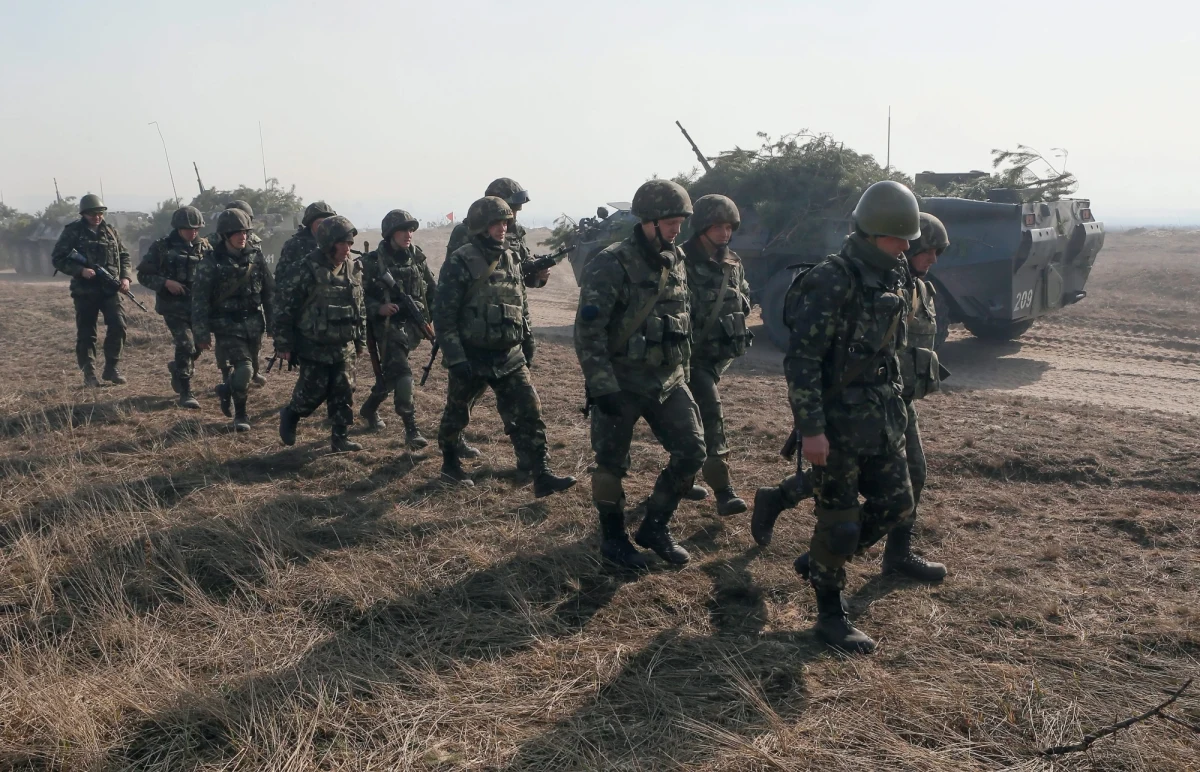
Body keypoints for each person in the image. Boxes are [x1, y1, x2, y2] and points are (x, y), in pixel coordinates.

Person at [751, 180, 924, 654]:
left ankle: (823, 559)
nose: (906, 246)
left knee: (897, 504)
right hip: (837, 424)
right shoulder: (833, 278)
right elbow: (802, 361)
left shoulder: (894, 273)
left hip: (883, 416)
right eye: (897, 237)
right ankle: (830, 614)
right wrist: (811, 429)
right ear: (870, 233)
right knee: (840, 523)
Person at [574, 179, 706, 569]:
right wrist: (602, 387)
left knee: (693, 451)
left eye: (681, 221)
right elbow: (589, 331)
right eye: (670, 222)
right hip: (621, 382)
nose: (677, 229)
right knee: (612, 464)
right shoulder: (610, 262)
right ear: (647, 221)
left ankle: (655, 526)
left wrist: (684, 370)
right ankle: (613, 539)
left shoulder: (677, 259)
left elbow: (683, 318)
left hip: (668, 381)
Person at [433, 196, 575, 498]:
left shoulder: (511, 257)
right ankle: (450, 463)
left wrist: (527, 340)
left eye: (506, 222)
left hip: (508, 353)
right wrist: (456, 357)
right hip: (472, 354)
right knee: (457, 413)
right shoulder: (460, 260)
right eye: (497, 222)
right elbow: (444, 315)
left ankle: (542, 473)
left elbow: (520, 302)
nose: (503, 227)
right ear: (481, 226)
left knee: (530, 411)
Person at [680, 194, 754, 516]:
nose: (725, 233)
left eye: (729, 227)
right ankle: (724, 491)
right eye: (718, 226)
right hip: (687, 358)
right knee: (711, 417)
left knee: (688, 424)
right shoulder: (680, 261)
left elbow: (744, 297)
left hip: (715, 358)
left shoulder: (732, 263)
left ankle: (681, 479)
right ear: (701, 227)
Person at [890, 212, 951, 582]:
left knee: (914, 473)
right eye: (927, 250)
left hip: (901, 401)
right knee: (838, 482)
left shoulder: (921, 289)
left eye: (937, 252)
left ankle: (898, 556)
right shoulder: (885, 288)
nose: (933, 259)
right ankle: (780, 498)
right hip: (870, 400)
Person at [274, 216, 367, 452]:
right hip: (313, 344)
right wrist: (284, 343)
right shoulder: (304, 270)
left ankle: (340, 438)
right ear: (328, 243)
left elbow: (360, 306)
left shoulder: (353, 269)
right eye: (343, 243)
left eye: (349, 242)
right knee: (312, 392)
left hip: (344, 343)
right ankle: (292, 414)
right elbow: (285, 308)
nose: (348, 248)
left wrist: (360, 339)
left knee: (344, 390)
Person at [192, 208, 274, 432]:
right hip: (226, 326)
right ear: (225, 236)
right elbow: (199, 300)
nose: (242, 236)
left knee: (249, 371)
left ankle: (226, 388)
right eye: (236, 232)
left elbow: (269, 293)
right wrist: (201, 334)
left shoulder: (256, 257)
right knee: (245, 369)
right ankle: (241, 415)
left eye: (245, 232)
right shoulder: (210, 263)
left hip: (254, 325)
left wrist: (274, 324)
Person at [359, 209, 436, 448]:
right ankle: (411, 429)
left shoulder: (417, 258)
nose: (408, 234)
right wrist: (378, 308)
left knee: (390, 377)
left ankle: (369, 408)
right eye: (403, 230)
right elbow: (357, 296)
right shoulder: (372, 262)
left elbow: (432, 291)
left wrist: (434, 319)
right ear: (390, 233)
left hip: (413, 326)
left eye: (411, 230)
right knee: (403, 375)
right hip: (386, 329)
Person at [50, 193, 132, 387]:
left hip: (110, 290)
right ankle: (89, 374)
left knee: (119, 326)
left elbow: (124, 255)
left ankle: (111, 368)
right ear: (84, 214)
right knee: (87, 333)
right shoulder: (73, 232)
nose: (97, 217)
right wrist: (80, 271)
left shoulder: (111, 231)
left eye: (100, 213)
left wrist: (126, 277)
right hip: (85, 291)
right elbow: (58, 258)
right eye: (92, 214)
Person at [136, 205, 212, 407]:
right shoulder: (162, 247)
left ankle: (178, 368)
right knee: (186, 345)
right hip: (173, 308)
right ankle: (186, 392)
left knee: (198, 345)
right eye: (189, 228)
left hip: (198, 308)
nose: (193, 232)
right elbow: (143, 275)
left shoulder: (205, 247)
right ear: (178, 228)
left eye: (196, 228)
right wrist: (165, 283)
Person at [277, 200, 336, 278]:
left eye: (327, 223)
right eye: (319, 223)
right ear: (310, 223)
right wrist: (309, 261)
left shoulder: (337, 243)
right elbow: (281, 275)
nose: (323, 227)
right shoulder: (294, 245)